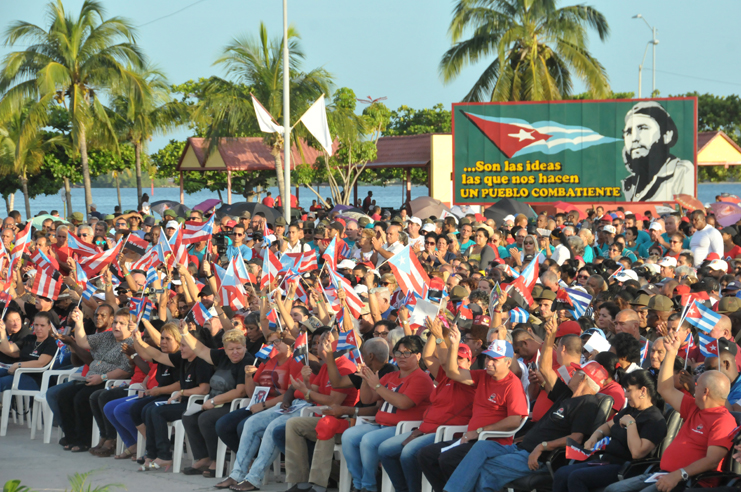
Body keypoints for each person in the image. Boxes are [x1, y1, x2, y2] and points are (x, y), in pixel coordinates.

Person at [441, 315, 610, 492]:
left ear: (583, 380)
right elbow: (545, 368)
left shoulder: (588, 404)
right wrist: (550, 336)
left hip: (537, 456)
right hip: (519, 447)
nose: (572, 374)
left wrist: (543, 447)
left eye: (577, 373)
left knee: (486, 468)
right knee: (481, 448)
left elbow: (576, 438)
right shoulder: (567, 394)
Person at [603, 330, 737, 492]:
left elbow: (711, 461)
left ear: (706, 391)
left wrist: (679, 474)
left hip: (689, 481)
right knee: (612, 490)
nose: (694, 385)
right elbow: (664, 388)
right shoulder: (695, 407)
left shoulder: (723, 420)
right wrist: (671, 353)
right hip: (664, 474)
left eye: (697, 384)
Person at [418, 328, 528, 492]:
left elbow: (514, 420)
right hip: (473, 438)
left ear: (508, 362)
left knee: (447, 459)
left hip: (495, 442)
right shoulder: (483, 375)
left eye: (495, 360)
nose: (489, 362)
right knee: (426, 455)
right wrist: (454, 345)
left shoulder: (512, 384)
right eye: (488, 358)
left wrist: (480, 431)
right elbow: (452, 372)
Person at [342, 336, 434, 492]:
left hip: (402, 429)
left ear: (418, 355)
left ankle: (369, 486)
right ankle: (358, 484)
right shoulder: (390, 376)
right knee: (349, 436)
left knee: (368, 441)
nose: (401, 357)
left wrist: (377, 385)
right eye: (398, 353)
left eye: (407, 353)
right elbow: (368, 398)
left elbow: (403, 403)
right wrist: (366, 378)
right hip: (380, 425)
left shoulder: (421, 378)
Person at [552, 369, 667, 492]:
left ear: (643, 390)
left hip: (626, 468)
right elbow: (608, 426)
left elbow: (637, 453)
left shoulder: (654, 420)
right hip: (607, 461)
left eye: (629, 391)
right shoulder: (630, 410)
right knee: (561, 473)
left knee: (577, 478)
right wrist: (595, 437)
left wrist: (631, 424)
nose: (626, 395)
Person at [179, 325, 254, 477]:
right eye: (231, 349)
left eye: (238, 348)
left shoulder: (247, 360)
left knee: (206, 419)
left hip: (234, 404)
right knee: (188, 417)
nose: (235, 352)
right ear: (224, 350)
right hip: (215, 402)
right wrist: (185, 333)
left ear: (245, 347)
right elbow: (200, 350)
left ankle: (217, 461)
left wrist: (213, 402)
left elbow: (241, 391)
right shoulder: (223, 357)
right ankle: (204, 457)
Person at [56, 308, 134, 452]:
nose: (117, 326)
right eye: (115, 322)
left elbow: (126, 370)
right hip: (92, 377)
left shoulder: (131, 343)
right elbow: (83, 342)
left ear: (131, 326)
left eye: (122, 323)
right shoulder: (107, 336)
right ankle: (72, 437)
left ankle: (84, 440)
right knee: (63, 395)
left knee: (81, 398)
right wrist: (79, 322)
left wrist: (102, 377)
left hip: (109, 381)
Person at [104, 323, 183, 460]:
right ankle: (138, 444)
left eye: (167, 339)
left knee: (137, 410)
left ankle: (151, 448)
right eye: (162, 338)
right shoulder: (163, 355)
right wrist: (137, 339)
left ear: (178, 340)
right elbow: (145, 356)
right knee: (110, 406)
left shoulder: (179, 358)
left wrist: (157, 390)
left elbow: (179, 385)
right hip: (155, 393)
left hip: (170, 397)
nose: (162, 342)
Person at [620, 101, 694, 202]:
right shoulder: (627, 184)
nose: (634, 138)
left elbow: (687, 208)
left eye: (642, 128)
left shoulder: (681, 171)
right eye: (628, 132)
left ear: (667, 135)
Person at [0, 312, 57, 392]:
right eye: (36, 325)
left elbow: (40, 363)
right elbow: (9, 349)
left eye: (42, 325)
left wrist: (18, 365)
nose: (38, 328)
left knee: (1, 383)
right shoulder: (29, 338)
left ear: (49, 326)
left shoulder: (50, 343)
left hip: (35, 378)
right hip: (18, 372)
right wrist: (2, 332)